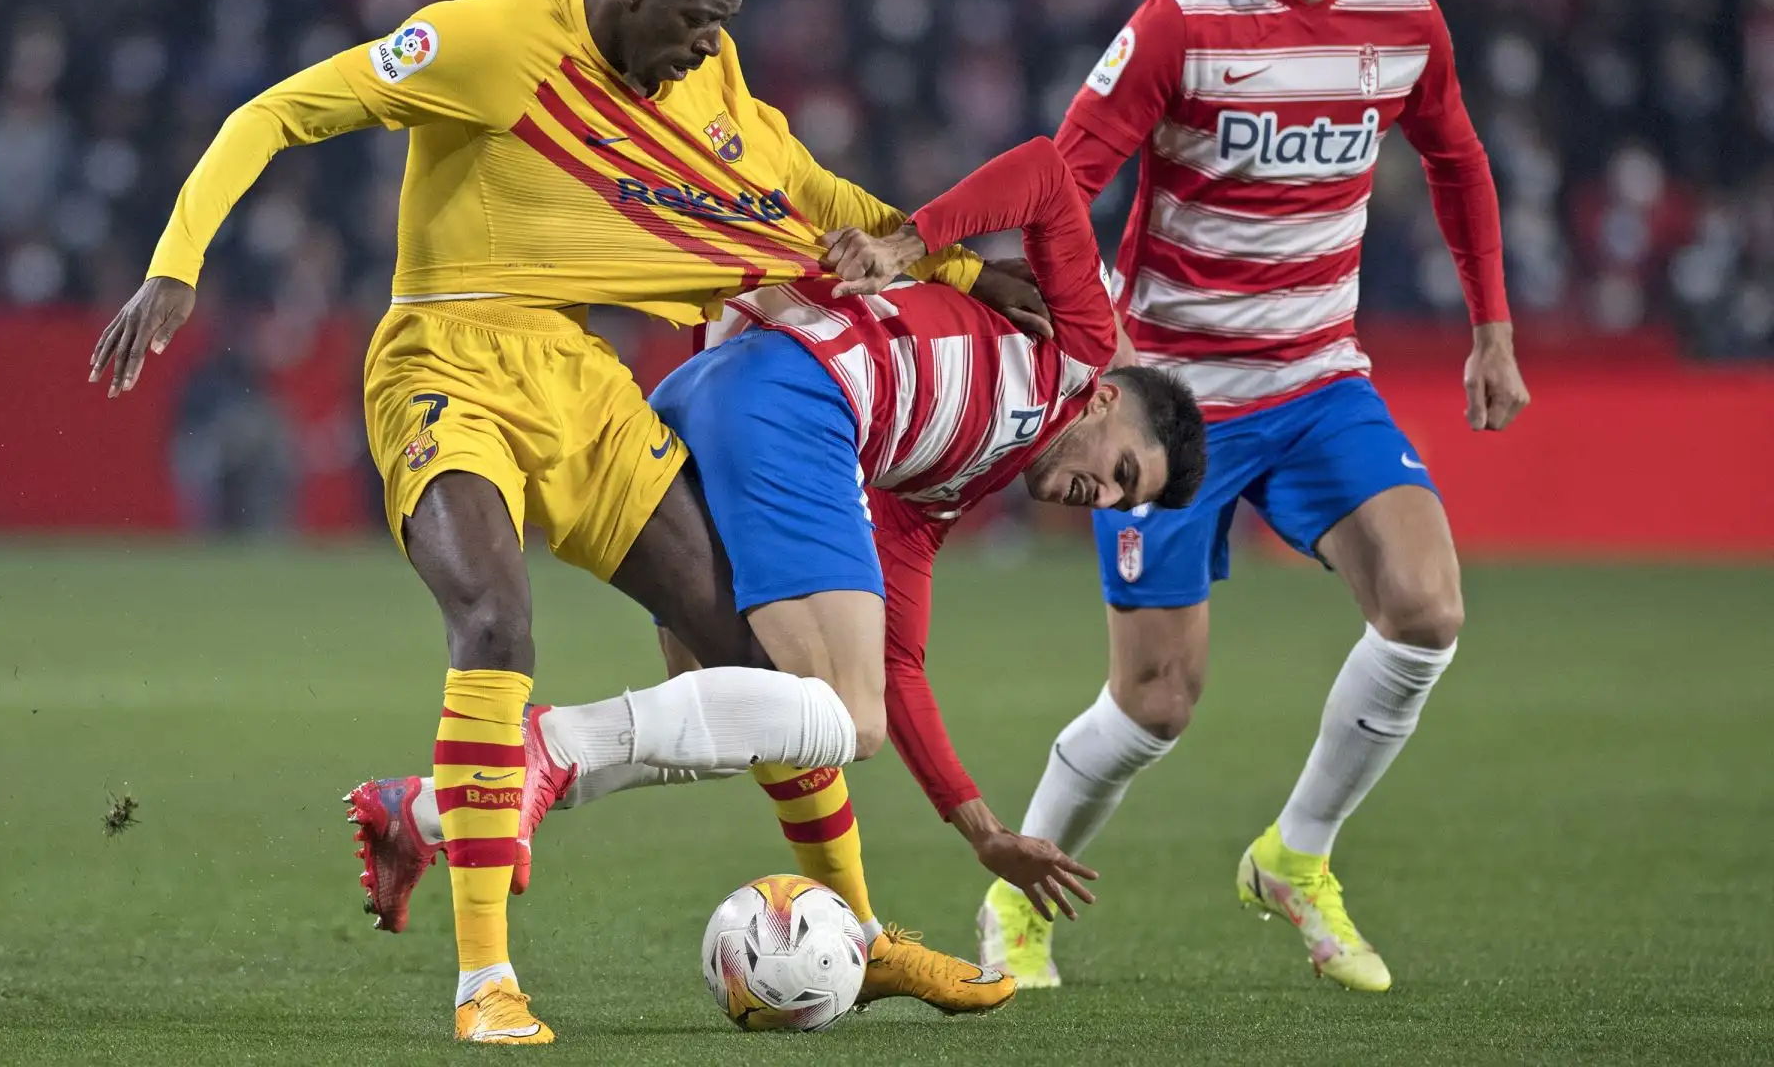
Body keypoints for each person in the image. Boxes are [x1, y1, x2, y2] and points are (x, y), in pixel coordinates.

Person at [87, 0, 1036, 1044]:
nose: (708, 44)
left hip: (578, 379)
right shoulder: (488, 43)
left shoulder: (710, 76)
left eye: (721, 25)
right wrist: (176, 263)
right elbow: (276, 112)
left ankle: (860, 930)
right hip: (445, 361)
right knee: (494, 624)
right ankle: (483, 983)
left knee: (763, 671)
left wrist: (962, 270)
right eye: (694, 20)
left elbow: (812, 195)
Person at [348, 136, 1209, 949]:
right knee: (840, 721)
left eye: (1121, 503)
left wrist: (982, 832)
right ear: (1106, 405)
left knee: (732, 708)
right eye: (1123, 474)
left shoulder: (943, 482)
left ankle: (428, 814)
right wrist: (911, 245)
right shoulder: (1081, 348)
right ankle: (550, 747)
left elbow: (901, 665)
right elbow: (1045, 175)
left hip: (711, 390)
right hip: (797, 395)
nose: (1103, 501)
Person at [976, 0, 1532, 994]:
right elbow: (1068, 173)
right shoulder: (1181, 23)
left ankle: (1298, 856)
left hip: (1321, 378)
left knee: (1427, 609)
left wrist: (1492, 329)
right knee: (1157, 702)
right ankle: (1015, 895)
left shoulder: (1404, 17)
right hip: (1175, 402)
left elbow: (1458, 161)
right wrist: (1073, 333)